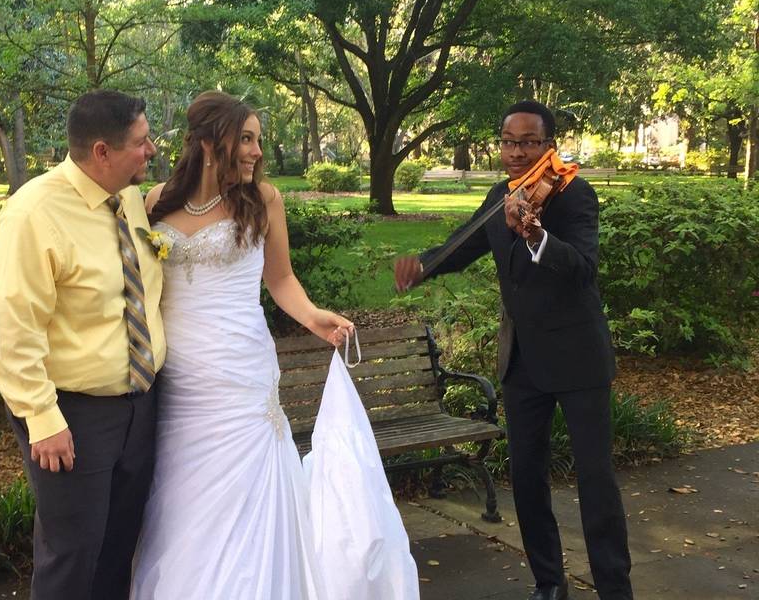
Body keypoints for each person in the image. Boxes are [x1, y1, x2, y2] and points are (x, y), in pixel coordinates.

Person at [394, 100, 633, 600]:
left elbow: (583, 269)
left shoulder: (573, 195)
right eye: (508, 141)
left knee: (596, 484)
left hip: (576, 356)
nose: (517, 152)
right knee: (526, 478)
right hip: (522, 360)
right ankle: (549, 584)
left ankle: (615, 590)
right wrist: (425, 266)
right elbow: (466, 246)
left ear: (549, 145)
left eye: (528, 142)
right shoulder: (500, 195)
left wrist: (537, 236)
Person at [130, 91, 354, 598]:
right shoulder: (156, 201)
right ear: (211, 143)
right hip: (181, 377)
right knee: (184, 493)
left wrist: (315, 318)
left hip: (241, 371)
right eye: (246, 139)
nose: (256, 151)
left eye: (257, 140)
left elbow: (281, 280)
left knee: (247, 490)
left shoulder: (263, 200)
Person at [0, 89, 165, 599]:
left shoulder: (128, 198)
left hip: (140, 405)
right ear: (102, 152)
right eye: (140, 141)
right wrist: (42, 419)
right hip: (74, 416)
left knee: (117, 550)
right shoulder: (34, 214)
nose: (151, 149)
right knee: (72, 555)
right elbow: (14, 328)